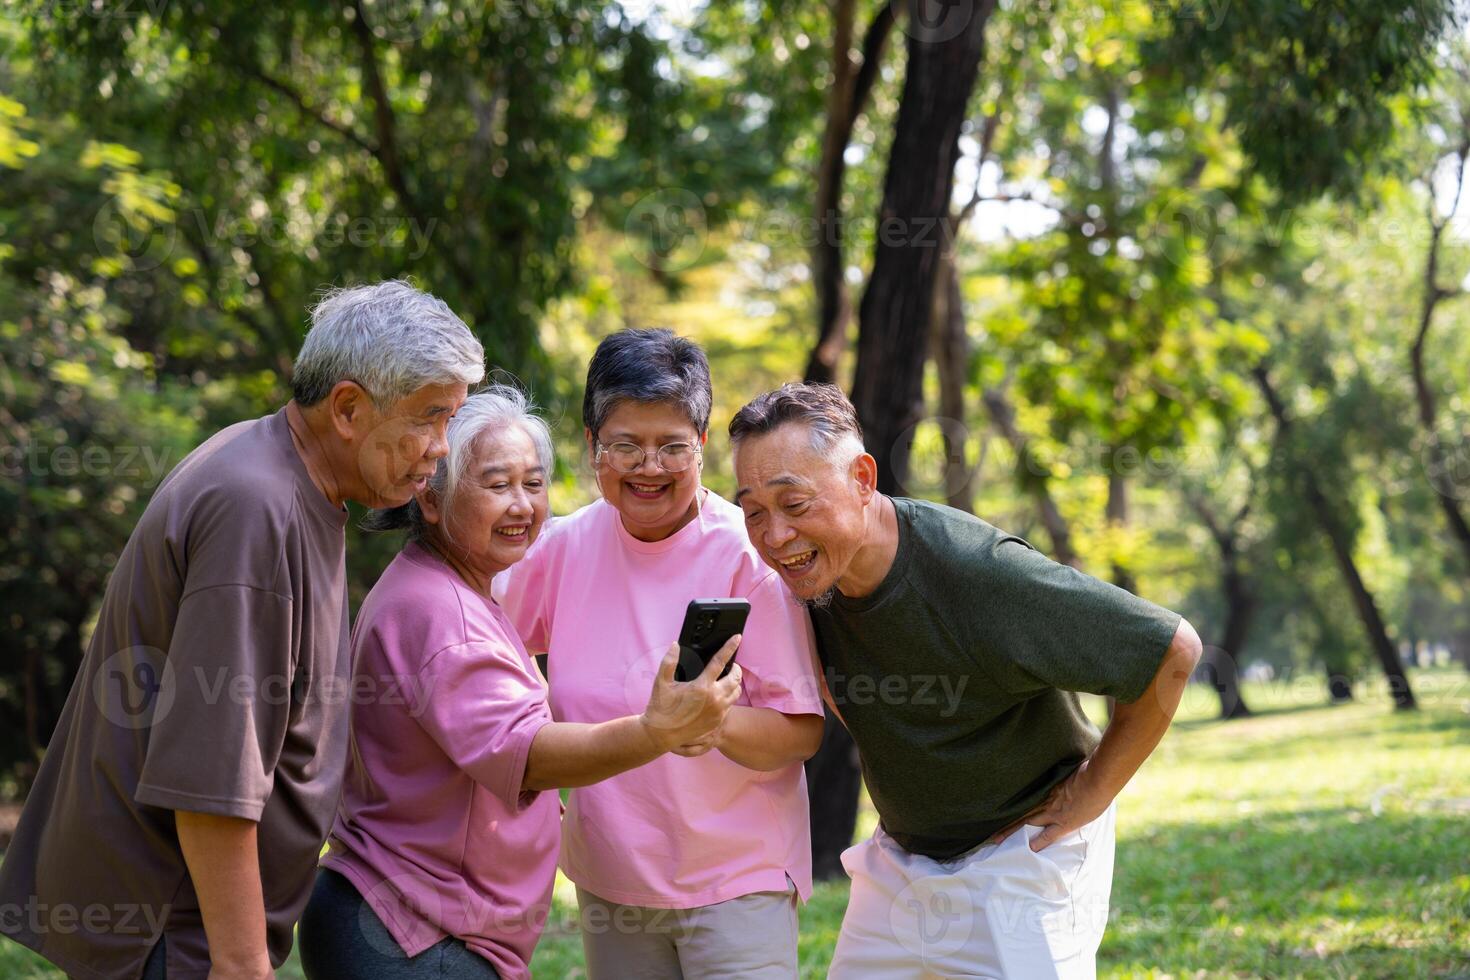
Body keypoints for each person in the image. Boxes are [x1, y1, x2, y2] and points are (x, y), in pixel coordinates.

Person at [0, 280, 486, 980]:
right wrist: (240, 962)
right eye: (430, 418)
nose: (442, 448)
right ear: (348, 408)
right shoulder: (255, 510)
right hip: (169, 926)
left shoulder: (287, 473)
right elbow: (209, 775)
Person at [728, 382, 1204, 980]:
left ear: (863, 479)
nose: (775, 537)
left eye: (794, 504)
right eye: (753, 513)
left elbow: (1171, 651)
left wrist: (1093, 794)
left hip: (1023, 861)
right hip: (901, 861)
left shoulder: (977, 572)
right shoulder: (806, 586)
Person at [297, 386, 743, 980]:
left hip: (410, 923)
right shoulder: (443, 615)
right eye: (497, 483)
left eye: (534, 484)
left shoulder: (450, 589)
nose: (522, 506)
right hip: (412, 933)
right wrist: (652, 731)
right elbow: (527, 755)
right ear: (431, 499)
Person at [495, 328, 824, 979]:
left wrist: (710, 721)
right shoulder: (562, 549)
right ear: (592, 447)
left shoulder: (747, 555)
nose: (649, 466)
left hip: (737, 885)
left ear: (701, 448)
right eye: (626, 445)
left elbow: (800, 730)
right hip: (612, 880)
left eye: (672, 446)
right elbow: (486, 646)